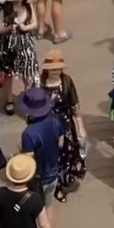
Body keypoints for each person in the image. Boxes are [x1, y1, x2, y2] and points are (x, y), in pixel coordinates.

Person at [37, 51, 89, 195]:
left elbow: (75, 108)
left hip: (65, 124)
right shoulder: (39, 83)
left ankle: (64, 179)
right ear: (46, 69)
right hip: (46, 125)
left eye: (59, 69)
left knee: (68, 152)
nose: (56, 72)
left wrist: (81, 128)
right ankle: (50, 180)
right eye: (53, 69)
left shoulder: (67, 82)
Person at [18, 86, 68, 200]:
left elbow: (28, 160)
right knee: (49, 204)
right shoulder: (56, 119)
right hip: (54, 172)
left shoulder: (29, 134)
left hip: (38, 178)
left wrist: (19, 154)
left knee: (38, 208)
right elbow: (61, 143)